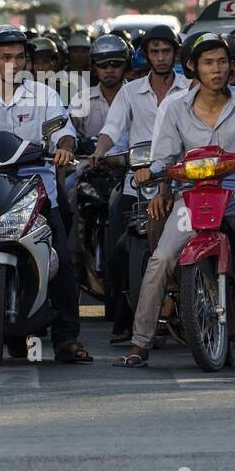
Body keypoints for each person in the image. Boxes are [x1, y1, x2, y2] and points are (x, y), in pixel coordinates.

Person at [116, 33, 235, 367]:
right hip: (191, 195)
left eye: (222, 62)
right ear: (193, 67)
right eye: (208, 62)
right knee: (162, 257)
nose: (217, 69)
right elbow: (162, 157)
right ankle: (140, 342)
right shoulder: (175, 107)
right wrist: (151, 176)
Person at [0, 26, 93, 364]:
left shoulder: (45, 94)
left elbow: (62, 129)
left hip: (37, 192)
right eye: (5, 56)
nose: (13, 62)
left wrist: (65, 146)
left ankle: (67, 338)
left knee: (62, 264)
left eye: (20, 56)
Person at [88, 26, 188, 342]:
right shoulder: (130, 92)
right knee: (117, 246)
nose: (160, 58)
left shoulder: (190, 89)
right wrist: (99, 151)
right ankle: (122, 322)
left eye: (166, 51)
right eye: (154, 52)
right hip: (138, 184)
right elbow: (112, 128)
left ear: (176, 54)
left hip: (182, 183)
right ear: (145, 55)